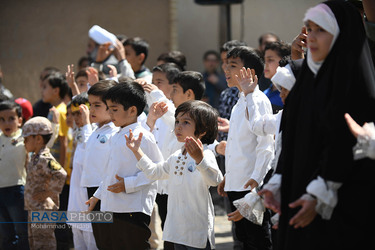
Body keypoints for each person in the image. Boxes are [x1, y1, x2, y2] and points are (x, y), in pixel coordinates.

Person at [264, 2, 375, 249]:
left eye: (321, 30)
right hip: (299, 205)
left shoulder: (355, 87)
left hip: (341, 212)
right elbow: (291, 141)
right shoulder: (305, 84)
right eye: (309, 29)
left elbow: (344, 148)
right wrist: (279, 182)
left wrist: (320, 193)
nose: (311, 37)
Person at [125, 100, 224, 249]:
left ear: (203, 130)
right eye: (177, 121)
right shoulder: (176, 155)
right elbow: (154, 172)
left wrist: (199, 159)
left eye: (186, 122)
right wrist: (137, 151)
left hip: (197, 231)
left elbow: (215, 180)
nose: (178, 126)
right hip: (177, 230)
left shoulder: (206, 153)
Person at [85, 81, 163, 249]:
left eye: (114, 109)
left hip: (133, 208)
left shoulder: (143, 135)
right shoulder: (117, 135)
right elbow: (109, 173)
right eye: (109, 109)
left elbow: (157, 170)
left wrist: (127, 184)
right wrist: (97, 196)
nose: (110, 114)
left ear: (132, 110)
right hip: (113, 207)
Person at [217, 46, 274, 250]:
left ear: (250, 73)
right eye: (226, 64)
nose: (226, 70)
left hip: (250, 186)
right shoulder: (239, 103)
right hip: (237, 184)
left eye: (233, 65)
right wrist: (229, 176)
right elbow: (241, 147)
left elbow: (266, 147)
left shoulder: (258, 101)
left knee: (257, 240)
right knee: (243, 239)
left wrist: (256, 185)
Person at [79, 80, 118, 249]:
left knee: (110, 238)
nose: (91, 110)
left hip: (106, 192)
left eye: (97, 105)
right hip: (91, 189)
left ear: (112, 106)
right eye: (90, 105)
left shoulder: (115, 131)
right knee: (100, 239)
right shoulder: (97, 129)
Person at [22, 116, 67, 250]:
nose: (24, 143)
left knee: (44, 243)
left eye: (26, 139)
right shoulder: (35, 157)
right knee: (35, 241)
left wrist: (48, 192)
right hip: (34, 207)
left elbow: (61, 174)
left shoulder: (44, 158)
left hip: (43, 209)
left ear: (38, 139)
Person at [66, 93, 98, 250]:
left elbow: (91, 157)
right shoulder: (79, 134)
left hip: (90, 210)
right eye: (74, 114)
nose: (77, 117)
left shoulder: (96, 135)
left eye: (81, 112)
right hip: (76, 207)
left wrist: (86, 123)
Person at [0, 101, 29, 250]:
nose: (7, 123)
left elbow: (46, 142)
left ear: (19, 120)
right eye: (2, 119)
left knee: (22, 231)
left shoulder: (24, 139)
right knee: (5, 233)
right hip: (0, 191)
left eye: (11, 118)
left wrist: (55, 124)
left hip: (17, 191)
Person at [263, 42, 291, 113]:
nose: (265, 64)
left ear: (284, 61)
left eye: (270, 60)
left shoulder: (288, 95)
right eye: (264, 60)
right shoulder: (265, 92)